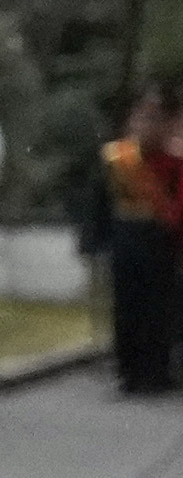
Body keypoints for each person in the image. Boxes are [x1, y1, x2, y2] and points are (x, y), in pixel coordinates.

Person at [105, 82, 181, 393]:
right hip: (125, 238)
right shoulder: (118, 158)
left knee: (157, 309)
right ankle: (128, 369)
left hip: (159, 239)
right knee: (126, 306)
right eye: (140, 118)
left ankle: (154, 371)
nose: (144, 127)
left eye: (153, 119)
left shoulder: (174, 162)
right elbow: (101, 201)